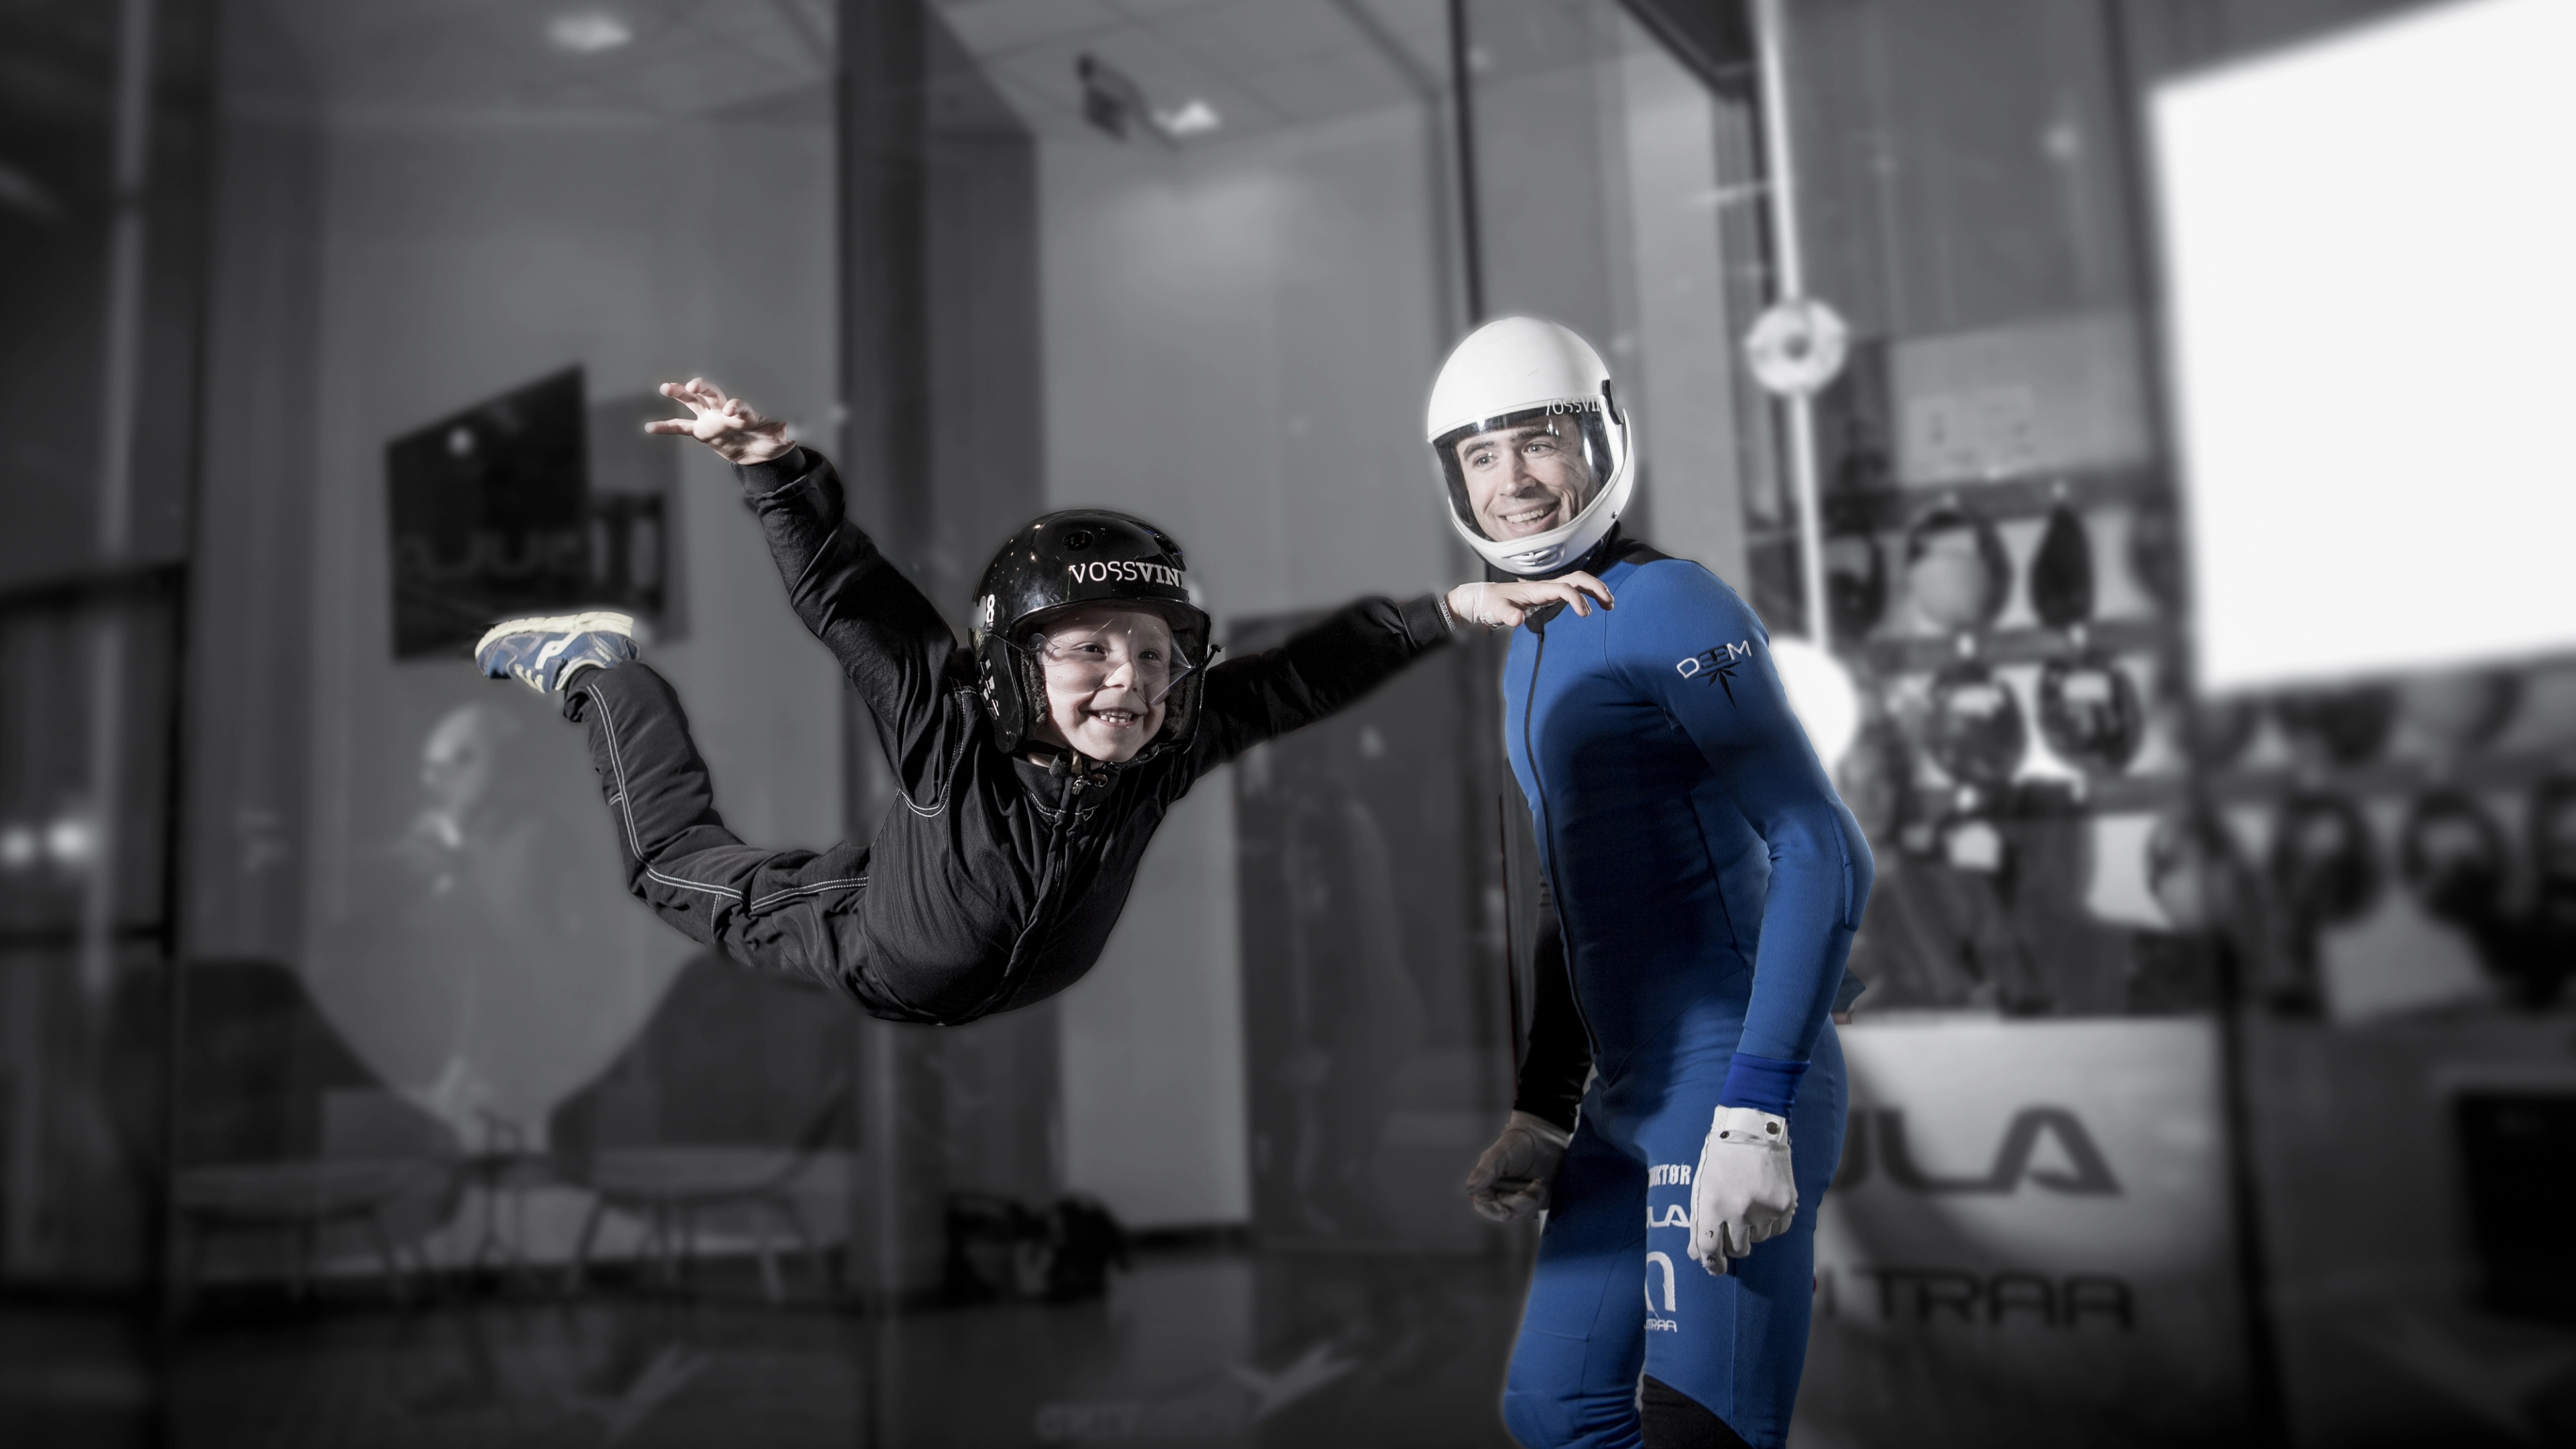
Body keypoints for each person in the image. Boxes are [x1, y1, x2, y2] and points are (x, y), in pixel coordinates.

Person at [474, 379, 1611, 1026]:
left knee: (885, 862)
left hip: (941, 908)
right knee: (671, 864)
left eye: (1160, 657)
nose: (1133, 680)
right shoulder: (951, 728)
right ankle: (598, 670)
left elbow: (1299, 679)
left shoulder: (1170, 739)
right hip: (868, 941)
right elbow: (849, 598)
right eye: (1091, 653)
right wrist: (772, 466)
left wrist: (1452, 609)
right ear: (1014, 668)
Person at [1440, 319, 1872, 1449]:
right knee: (1556, 1410)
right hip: (1627, 1100)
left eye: (1537, 443)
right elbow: (1564, 904)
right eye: (1483, 457)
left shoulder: (1673, 604)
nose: (1513, 481)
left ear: (1602, 442)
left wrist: (1755, 1108)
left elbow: (1822, 845)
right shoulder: (1531, 640)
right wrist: (1544, 1107)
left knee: (1700, 1429)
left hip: (1727, 1082)